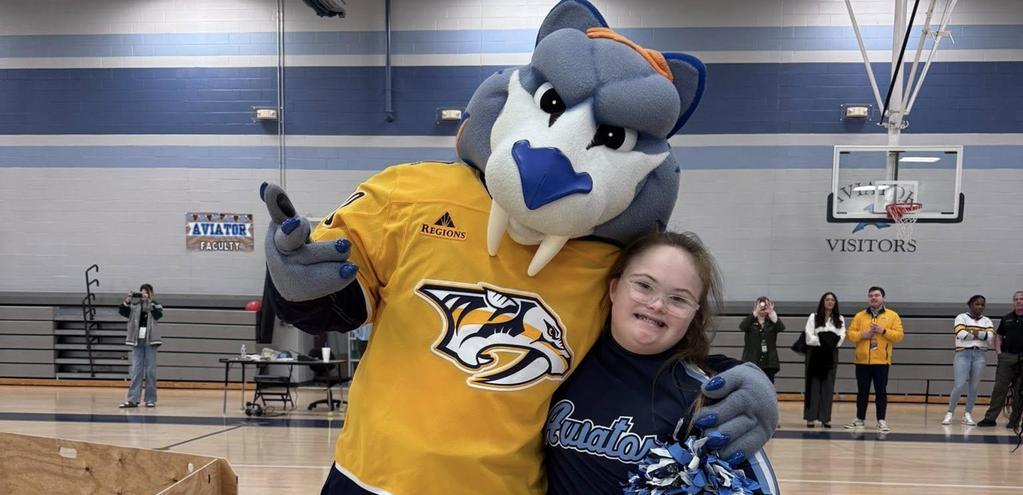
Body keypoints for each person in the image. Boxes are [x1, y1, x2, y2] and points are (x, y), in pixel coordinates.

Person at [263, 2, 775, 493]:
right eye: (551, 104)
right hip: (371, 476)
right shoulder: (412, 193)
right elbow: (336, 301)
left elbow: (645, 347)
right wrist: (296, 278)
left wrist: (735, 378)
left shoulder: (609, 261)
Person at [544, 231, 778, 494]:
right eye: (644, 285)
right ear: (614, 288)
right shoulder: (558, 366)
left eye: (678, 299)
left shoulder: (706, 397)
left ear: (694, 314)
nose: (657, 304)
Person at [844, 286, 904, 432]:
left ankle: (881, 421)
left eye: (877, 295)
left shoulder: (892, 316)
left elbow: (899, 336)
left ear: (883, 298)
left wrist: (883, 331)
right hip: (862, 361)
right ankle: (859, 419)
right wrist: (862, 335)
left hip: (881, 362)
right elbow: (850, 334)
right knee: (862, 392)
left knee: (881, 392)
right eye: (871, 295)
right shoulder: (860, 316)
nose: (873, 298)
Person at [942, 295, 994, 426]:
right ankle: (950, 412)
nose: (980, 307)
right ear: (970, 305)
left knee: (974, 386)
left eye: (982, 304)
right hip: (963, 354)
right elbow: (961, 334)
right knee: (959, 385)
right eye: (977, 304)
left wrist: (972, 332)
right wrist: (980, 334)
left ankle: (968, 413)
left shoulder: (987, 320)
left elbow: (989, 337)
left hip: (980, 355)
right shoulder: (961, 317)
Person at [978, 291, 1023, 429]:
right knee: (999, 389)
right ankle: (990, 418)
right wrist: (999, 353)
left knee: (1020, 391)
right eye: (1016, 299)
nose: (1019, 301)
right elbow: (999, 336)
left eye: (1021, 299)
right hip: (1006, 358)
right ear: (1013, 302)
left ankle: (1014, 420)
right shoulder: (1007, 318)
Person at [803, 292, 845, 428]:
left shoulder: (840, 319)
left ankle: (825, 418)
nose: (830, 302)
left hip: (831, 354)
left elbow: (840, 338)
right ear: (823, 302)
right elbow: (809, 337)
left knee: (828, 386)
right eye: (827, 299)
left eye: (832, 300)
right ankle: (810, 417)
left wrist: (822, 338)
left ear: (835, 303)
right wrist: (828, 339)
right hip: (815, 353)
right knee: (813, 386)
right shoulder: (813, 317)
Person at [118, 283, 163, 408]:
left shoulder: (155, 305)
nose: (144, 294)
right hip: (137, 340)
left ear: (151, 293)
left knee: (150, 371)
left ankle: (150, 399)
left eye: (146, 292)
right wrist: (128, 300)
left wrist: (148, 301)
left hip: (151, 341)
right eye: (142, 292)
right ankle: (133, 399)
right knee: (136, 370)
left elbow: (158, 315)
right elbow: (123, 312)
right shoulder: (135, 306)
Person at [740, 297, 785, 383]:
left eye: (766, 304)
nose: (763, 307)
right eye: (760, 304)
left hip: (769, 363)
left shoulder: (772, 322)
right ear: (755, 306)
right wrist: (756, 312)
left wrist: (772, 313)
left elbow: (781, 328)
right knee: (751, 385)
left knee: (768, 385)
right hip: (752, 361)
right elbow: (742, 326)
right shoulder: (750, 322)